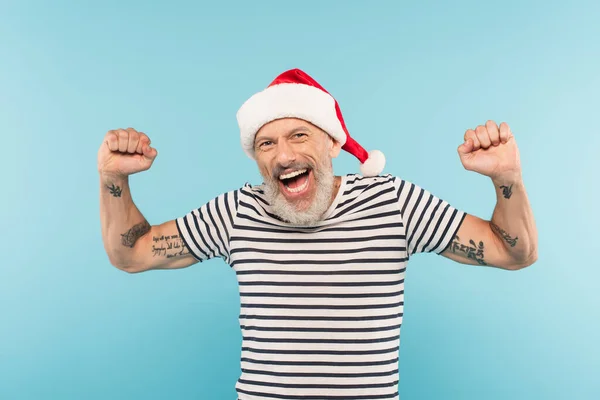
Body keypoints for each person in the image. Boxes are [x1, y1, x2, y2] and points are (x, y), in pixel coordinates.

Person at [98, 68, 538, 399]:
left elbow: (512, 251)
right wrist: (113, 180)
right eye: (266, 144)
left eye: (298, 135)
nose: (283, 155)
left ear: (332, 143)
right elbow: (131, 253)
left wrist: (508, 179)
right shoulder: (237, 212)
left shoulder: (394, 203)